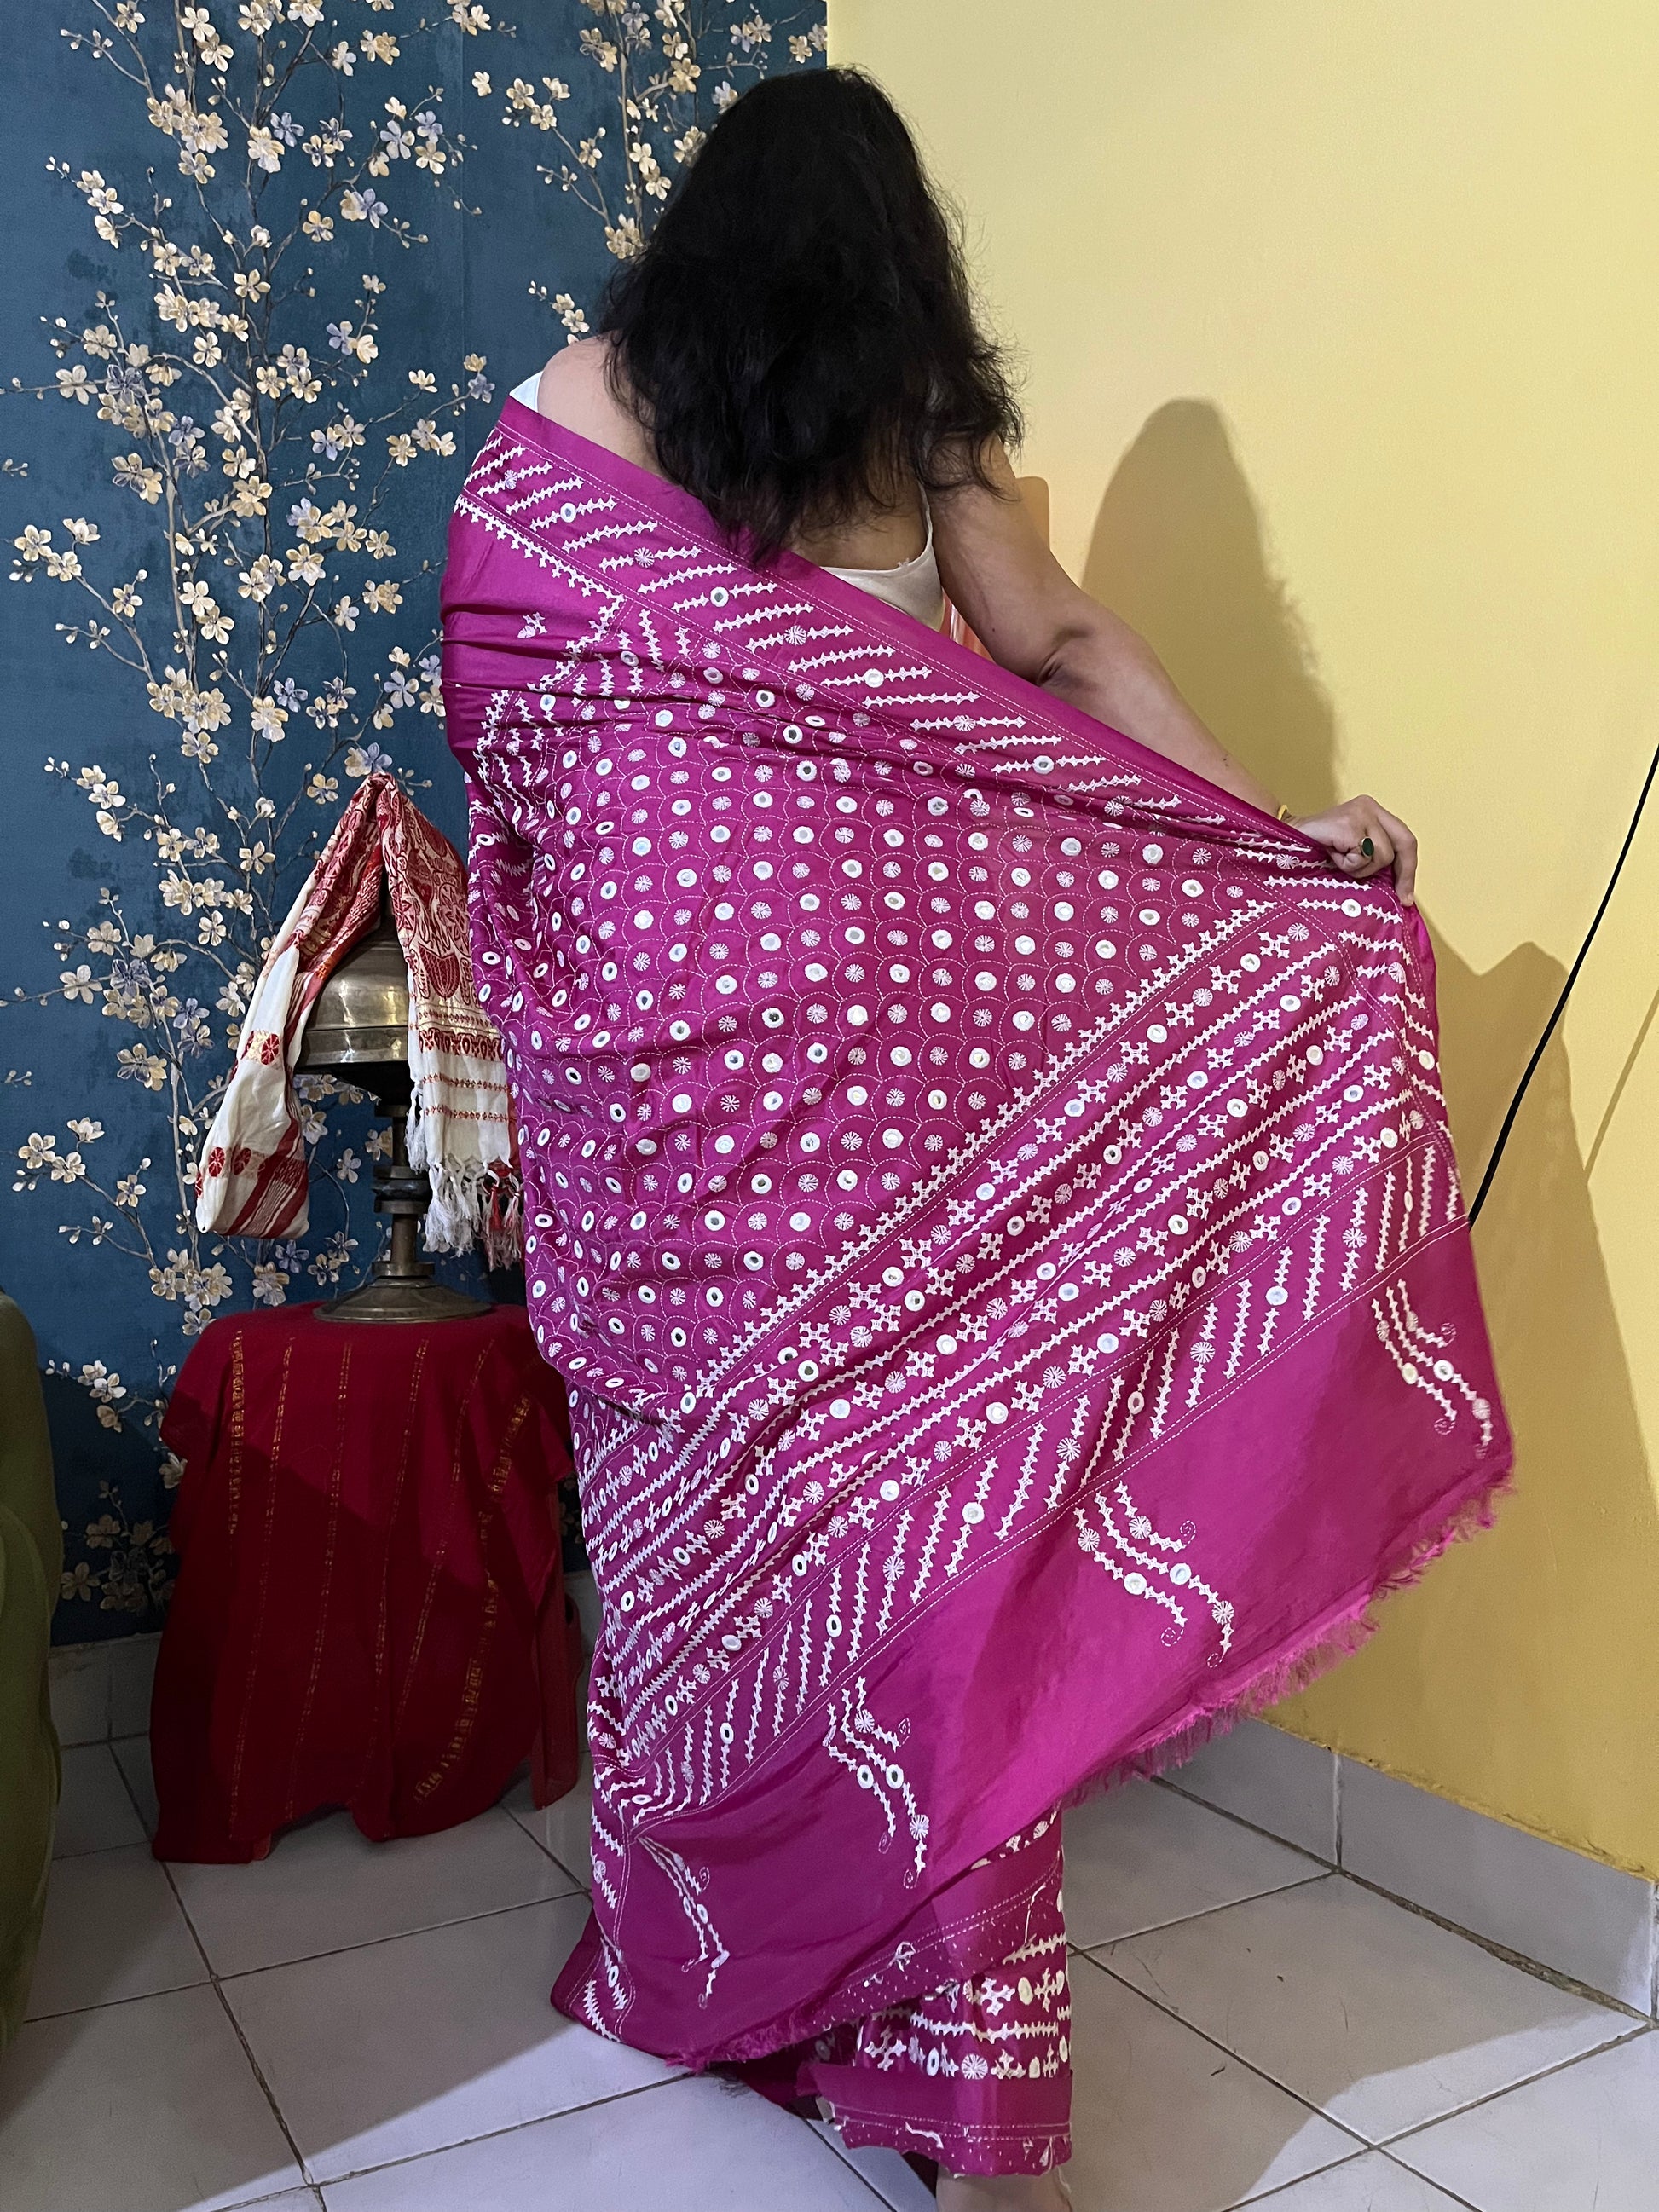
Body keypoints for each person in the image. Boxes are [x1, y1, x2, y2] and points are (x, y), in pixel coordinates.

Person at [442, 68, 1505, 2209]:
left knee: (730, 1507)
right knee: (949, 1519)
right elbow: (1068, 646)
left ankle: (730, 1958)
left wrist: (1241, 853)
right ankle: (948, 2061)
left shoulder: (585, 401)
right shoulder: (923, 426)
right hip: (861, 1092)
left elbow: (510, 698)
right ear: (897, 263)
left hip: (719, 1092)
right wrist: (1258, 840)